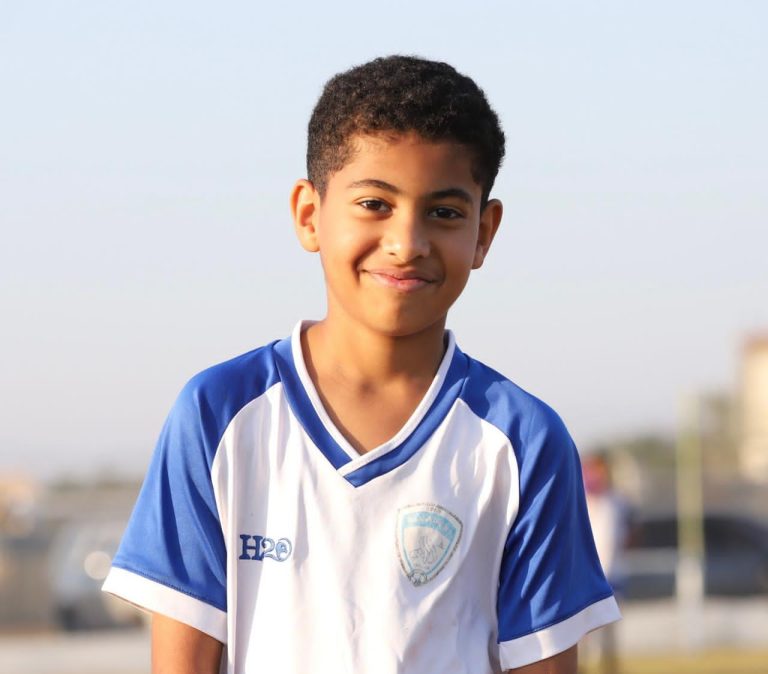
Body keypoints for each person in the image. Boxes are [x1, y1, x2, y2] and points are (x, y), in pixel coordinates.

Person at [102, 55, 620, 674]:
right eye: (375, 203)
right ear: (309, 214)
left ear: (485, 232)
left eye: (444, 212)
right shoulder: (219, 415)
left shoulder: (523, 440)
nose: (407, 243)